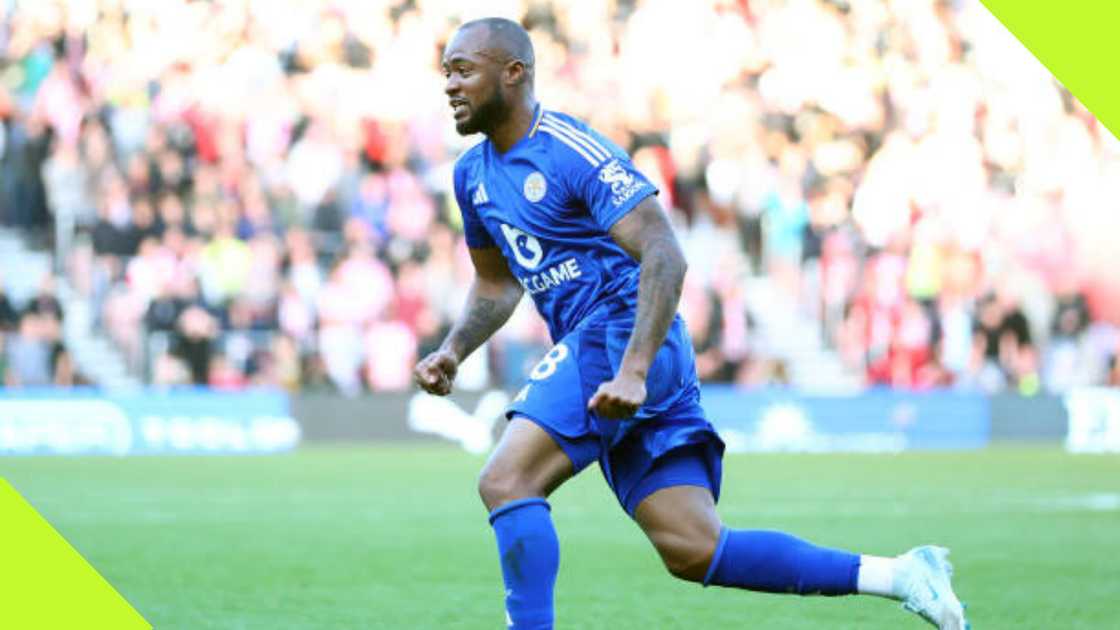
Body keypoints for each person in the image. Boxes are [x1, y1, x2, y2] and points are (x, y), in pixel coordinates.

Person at [414, 18, 969, 630]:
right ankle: (900, 575)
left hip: (620, 333)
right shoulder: (472, 176)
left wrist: (633, 370)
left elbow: (664, 253)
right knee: (694, 548)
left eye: (463, 69)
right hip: (615, 357)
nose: (450, 85)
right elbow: (497, 283)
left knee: (507, 480)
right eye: (447, 72)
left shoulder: (571, 151)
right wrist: (454, 349)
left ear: (513, 73)